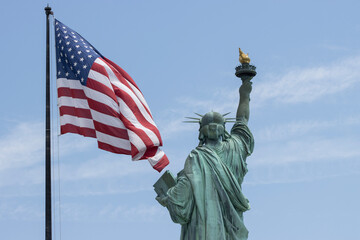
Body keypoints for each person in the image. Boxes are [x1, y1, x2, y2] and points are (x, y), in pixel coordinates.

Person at [156, 81, 254, 240]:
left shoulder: (196, 157)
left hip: (202, 230)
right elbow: (242, 119)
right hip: (233, 228)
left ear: (201, 131)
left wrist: (168, 198)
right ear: (224, 129)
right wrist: (245, 92)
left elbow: (182, 195)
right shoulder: (235, 149)